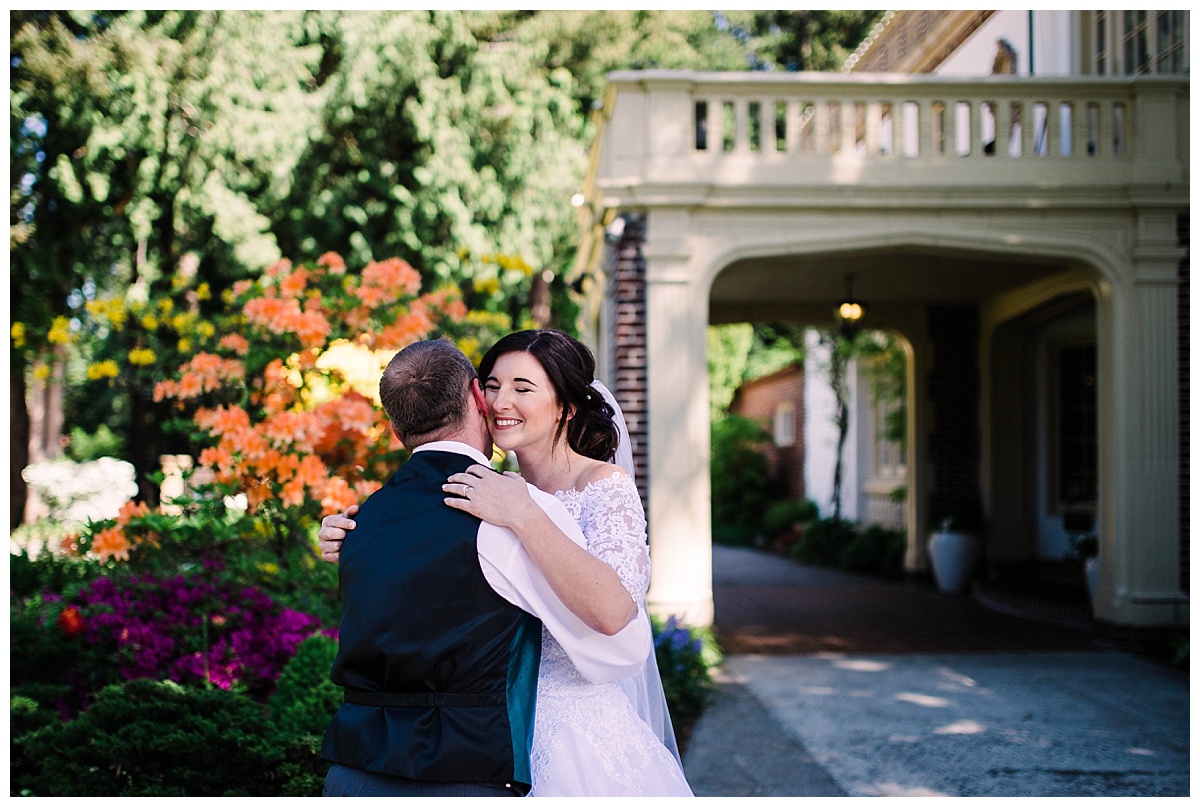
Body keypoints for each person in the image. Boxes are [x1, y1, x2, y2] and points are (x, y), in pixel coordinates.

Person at [320, 330, 694, 797]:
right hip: (480, 728)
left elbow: (618, 621)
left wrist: (524, 515)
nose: (500, 401)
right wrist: (360, 535)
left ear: (566, 406)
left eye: (523, 388)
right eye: (492, 385)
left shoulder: (602, 486)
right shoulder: (484, 486)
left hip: (572, 729)